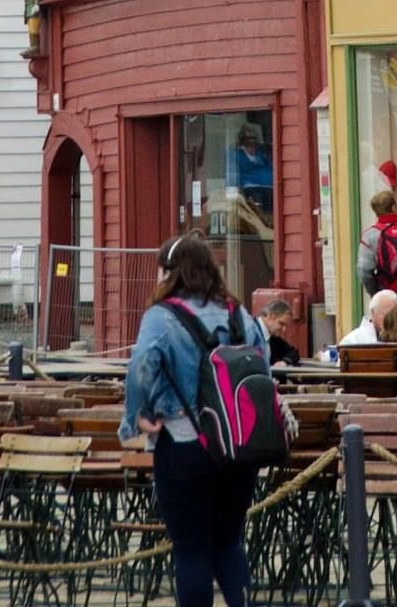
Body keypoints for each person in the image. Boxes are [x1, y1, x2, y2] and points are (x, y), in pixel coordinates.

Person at [121, 232, 269, 607]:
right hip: (238, 445)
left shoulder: (162, 316)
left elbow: (142, 364)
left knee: (192, 550)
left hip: (183, 441)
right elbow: (263, 366)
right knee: (229, 542)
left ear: (170, 272)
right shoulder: (239, 313)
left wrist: (137, 416)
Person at [356, 187, 397, 297]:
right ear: (394, 207)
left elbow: (364, 271)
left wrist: (375, 294)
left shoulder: (369, 235)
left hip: (385, 292)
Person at [256, 298, 300, 366]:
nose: (284, 329)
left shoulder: (273, 337)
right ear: (270, 316)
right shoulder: (250, 331)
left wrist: (284, 362)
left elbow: (292, 352)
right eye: (281, 323)